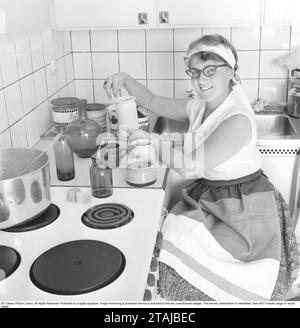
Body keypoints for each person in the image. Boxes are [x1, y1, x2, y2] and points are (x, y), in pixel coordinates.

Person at [103, 34, 298, 301]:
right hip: (212, 196)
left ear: (230, 71)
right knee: (171, 235)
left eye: (210, 70)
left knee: (188, 247)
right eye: (195, 72)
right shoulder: (200, 106)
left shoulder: (237, 119)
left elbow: (191, 166)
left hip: (242, 205)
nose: (201, 80)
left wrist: (151, 140)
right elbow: (152, 101)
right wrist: (125, 78)